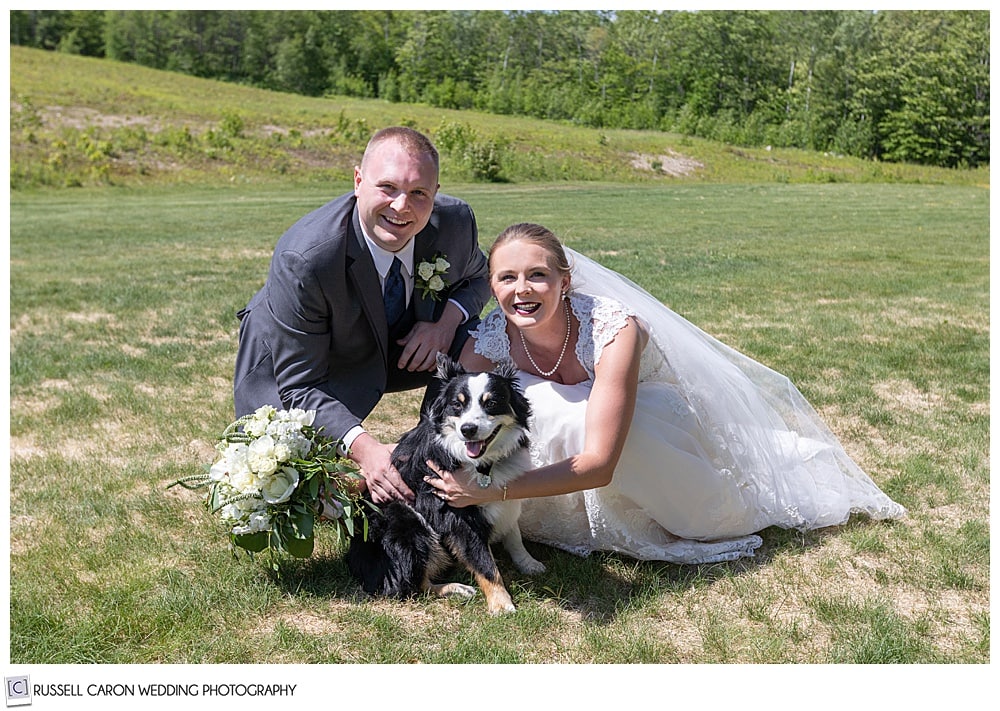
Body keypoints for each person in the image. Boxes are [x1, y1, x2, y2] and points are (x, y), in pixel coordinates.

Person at [424, 223, 905, 564]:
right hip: (580, 435)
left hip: (647, 430)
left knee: (703, 516)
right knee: (528, 406)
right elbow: (449, 414)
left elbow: (601, 463)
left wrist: (488, 488)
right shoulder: (492, 336)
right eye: (507, 278)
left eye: (538, 275)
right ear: (492, 286)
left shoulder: (614, 328)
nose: (522, 289)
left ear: (564, 282)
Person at [233, 126, 490, 505]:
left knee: (487, 336)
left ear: (435, 194)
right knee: (295, 487)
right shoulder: (307, 259)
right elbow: (300, 384)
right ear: (358, 181)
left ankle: (435, 448)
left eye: (418, 192)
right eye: (387, 187)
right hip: (305, 358)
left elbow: (480, 277)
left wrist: (444, 324)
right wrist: (364, 447)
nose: (402, 206)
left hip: (400, 344)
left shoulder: (454, 223)